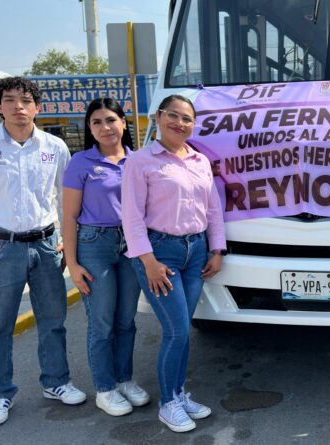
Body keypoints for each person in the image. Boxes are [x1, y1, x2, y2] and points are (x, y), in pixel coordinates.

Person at [0, 77, 86, 427]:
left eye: (25, 100)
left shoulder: (54, 146)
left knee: (53, 321)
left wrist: (67, 242)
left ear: (37, 107)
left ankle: (56, 382)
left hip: (46, 245)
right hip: (0, 249)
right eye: (9, 100)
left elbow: (67, 199)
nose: (18, 107)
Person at [121, 94, 226, 433]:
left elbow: (213, 209)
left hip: (196, 251)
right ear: (158, 117)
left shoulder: (199, 160)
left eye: (187, 119)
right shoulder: (140, 161)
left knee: (182, 330)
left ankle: (179, 393)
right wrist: (147, 261)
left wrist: (217, 249)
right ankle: (168, 403)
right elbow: (131, 216)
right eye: (173, 115)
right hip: (159, 254)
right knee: (177, 331)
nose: (180, 123)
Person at [61, 98, 150, 417]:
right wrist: (73, 264)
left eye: (111, 120)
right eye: (96, 122)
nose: (105, 127)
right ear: (90, 128)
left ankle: (124, 379)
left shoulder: (138, 161)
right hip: (94, 244)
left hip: (131, 244)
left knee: (126, 320)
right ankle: (105, 388)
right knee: (102, 322)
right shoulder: (81, 162)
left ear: (124, 123)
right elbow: (69, 216)